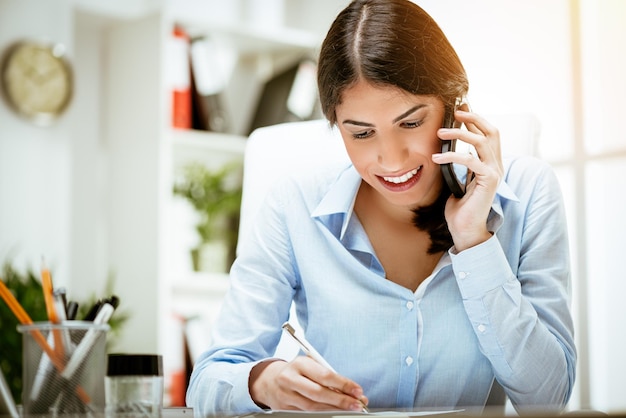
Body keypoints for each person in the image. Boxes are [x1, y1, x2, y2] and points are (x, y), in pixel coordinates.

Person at [186, 0, 577, 416]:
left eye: (410, 123)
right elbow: (209, 381)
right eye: (361, 133)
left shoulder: (529, 192)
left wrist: (475, 242)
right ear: (337, 126)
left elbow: (547, 400)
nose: (391, 160)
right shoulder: (293, 205)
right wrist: (262, 382)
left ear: (454, 106)